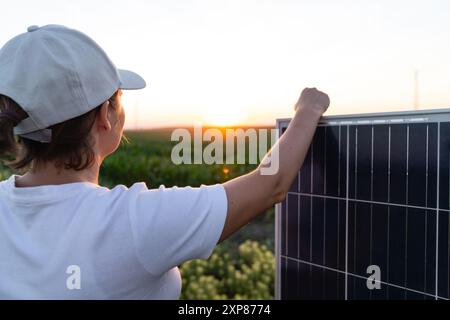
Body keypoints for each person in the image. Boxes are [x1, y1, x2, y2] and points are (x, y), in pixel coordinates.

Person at [0, 25, 329, 299]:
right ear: (104, 116)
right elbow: (271, 182)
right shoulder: (133, 222)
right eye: (118, 98)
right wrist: (308, 109)